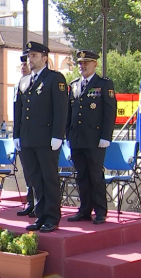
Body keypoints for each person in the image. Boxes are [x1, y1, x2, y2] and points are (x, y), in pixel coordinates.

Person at [13, 41, 68, 233]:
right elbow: (18, 110)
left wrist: (57, 135)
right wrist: (16, 135)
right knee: (34, 179)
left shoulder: (55, 79)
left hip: (46, 139)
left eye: (34, 56)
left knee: (49, 178)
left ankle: (52, 216)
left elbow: (61, 110)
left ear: (45, 57)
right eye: (29, 56)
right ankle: (40, 214)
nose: (31, 59)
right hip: (28, 138)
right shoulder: (24, 81)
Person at [66, 50, 117, 225]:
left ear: (95, 63)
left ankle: (101, 211)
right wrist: (67, 135)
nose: (82, 66)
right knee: (81, 176)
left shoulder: (103, 84)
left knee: (95, 175)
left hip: (95, 139)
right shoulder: (74, 85)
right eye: (80, 63)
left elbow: (110, 113)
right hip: (77, 138)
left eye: (86, 62)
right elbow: (69, 113)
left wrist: (106, 136)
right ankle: (84, 210)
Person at [15, 53, 36, 218]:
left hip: (37, 136)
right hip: (24, 135)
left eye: (25, 65)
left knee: (37, 173)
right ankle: (30, 202)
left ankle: (38, 203)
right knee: (28, 172)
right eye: (22, 66)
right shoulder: (20, 84)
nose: (23, 68)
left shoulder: (39, 83)